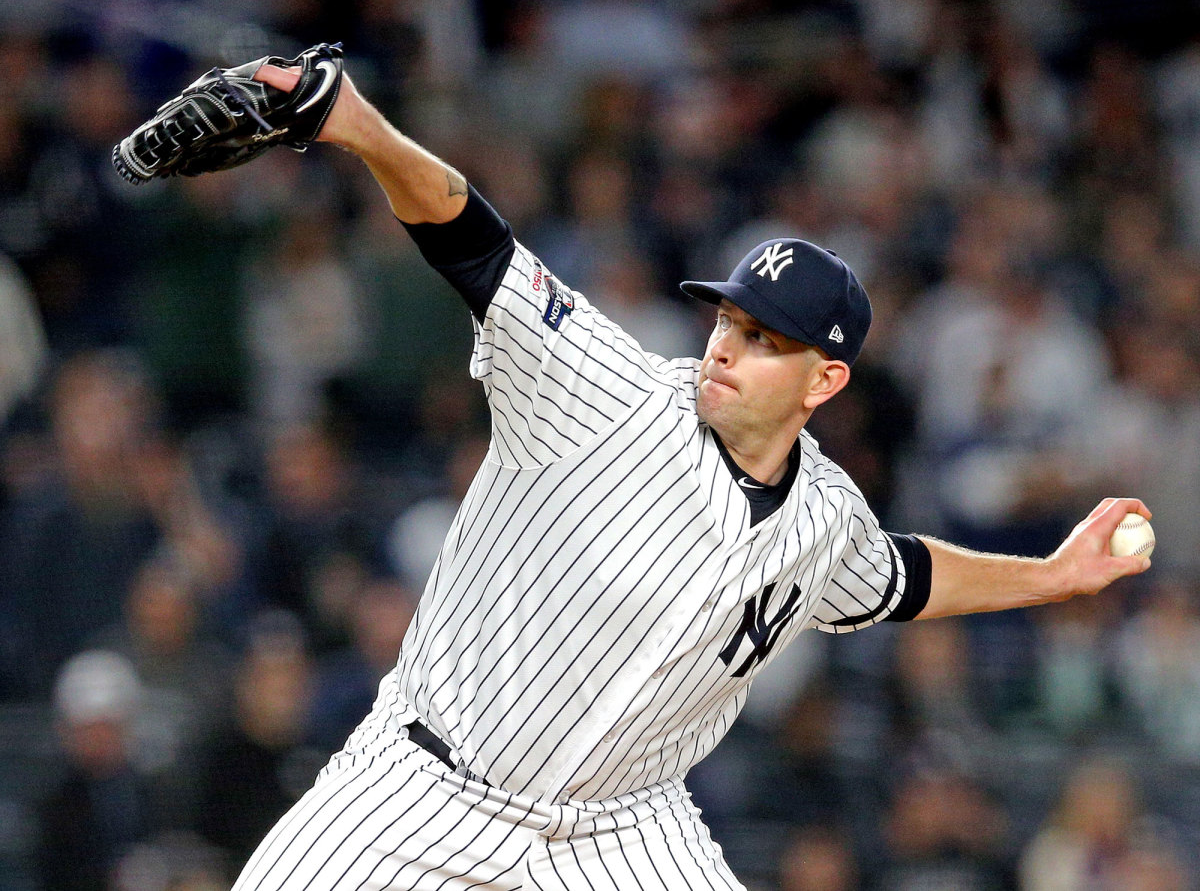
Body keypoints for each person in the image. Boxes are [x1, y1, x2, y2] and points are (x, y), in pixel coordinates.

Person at [227, 58, 1151, 891]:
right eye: (727, 322)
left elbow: (905, 579)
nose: (725, 348)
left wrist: (1054, 576)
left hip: (620, 830)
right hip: (429, 785)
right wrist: (358, 127)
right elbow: (476, 246)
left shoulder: (826, 517)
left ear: (824, 381)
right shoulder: (606, 389)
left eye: (762, 340)